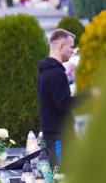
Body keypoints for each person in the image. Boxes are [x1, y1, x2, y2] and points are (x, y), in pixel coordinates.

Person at [37, 28, 91, 167]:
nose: (73, 51)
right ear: (61, 45)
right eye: (71, 47)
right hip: (59, 138)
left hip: (54, 136)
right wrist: (89, 95)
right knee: (61, 179)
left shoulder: (44, 72)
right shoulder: (56, 73)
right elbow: (64, 104)